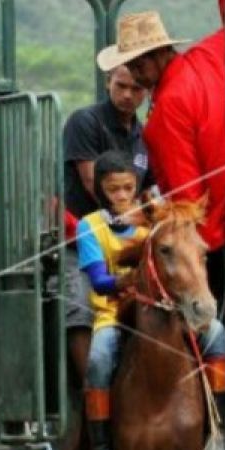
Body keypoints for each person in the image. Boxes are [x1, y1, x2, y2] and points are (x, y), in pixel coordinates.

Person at [77, 153, 225, 450]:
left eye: (127, 187)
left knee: (217, 334)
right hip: (115, 314)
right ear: (100, 190)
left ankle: (219, 426)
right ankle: (103, 449)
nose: (121, 195)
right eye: (112, 189)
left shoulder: (156, 218)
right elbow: (99, 281)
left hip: (169, 313)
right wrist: (129, 280)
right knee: (98, 360)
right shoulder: (89, 225)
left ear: (137, 186)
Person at [97, 0, 225, 300]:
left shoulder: (165, 113)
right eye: (130, 65)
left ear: (160, 55)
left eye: (139, 64)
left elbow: (187, 205)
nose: (135, 73)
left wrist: (145, 217)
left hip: (208, 244)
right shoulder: (206, 57)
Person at [61, 66, 151, 382]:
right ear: (107, 82)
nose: (128, 95)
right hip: (81, 241)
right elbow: (91, 182)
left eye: (137, 88)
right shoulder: (85, 122)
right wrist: (127, 214)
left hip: (131, 240)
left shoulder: (143, 136)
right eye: (121, 85)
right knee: (80, 307)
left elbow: (149, 192)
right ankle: (93, 397)